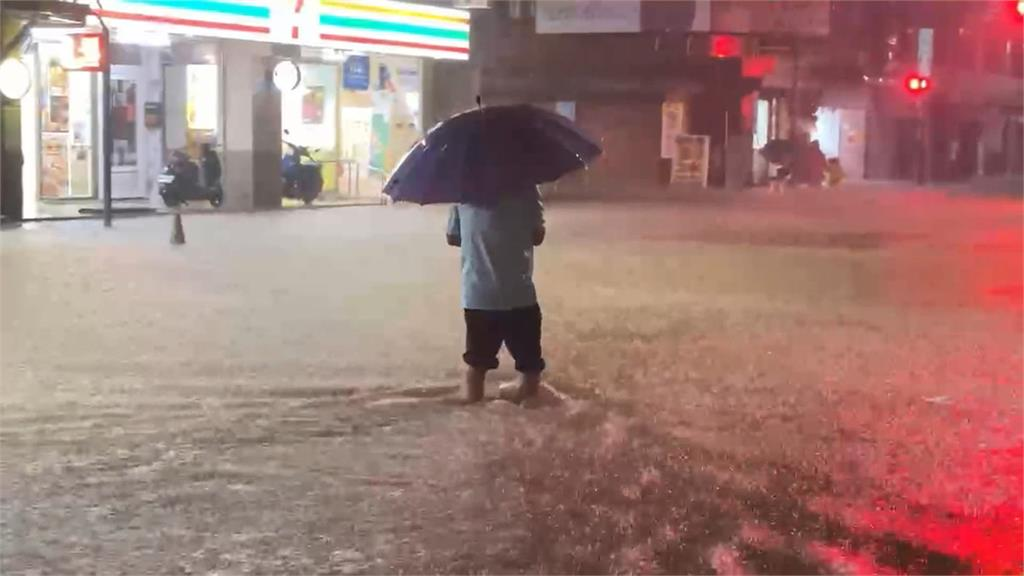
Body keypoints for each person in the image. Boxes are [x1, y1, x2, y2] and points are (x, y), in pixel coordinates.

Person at [447, 186, 546, 404]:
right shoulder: (527, 189)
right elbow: (538, 236)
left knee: (476, 365)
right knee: (530, 367)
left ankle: (473, 407)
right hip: (520, 295)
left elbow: (452, 237)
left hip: (479, 296)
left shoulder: (463, 191)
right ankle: (527, 404)